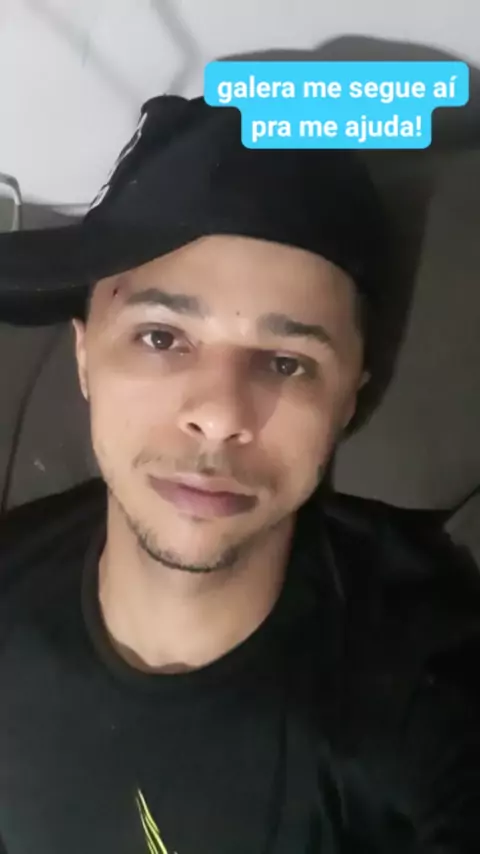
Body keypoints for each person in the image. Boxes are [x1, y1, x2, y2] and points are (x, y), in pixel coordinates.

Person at [0, 95, 479, 854]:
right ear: (85, 355)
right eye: (162, 337)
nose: (220, 415)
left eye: (286, 362)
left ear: (349, 397)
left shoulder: (434, 691)